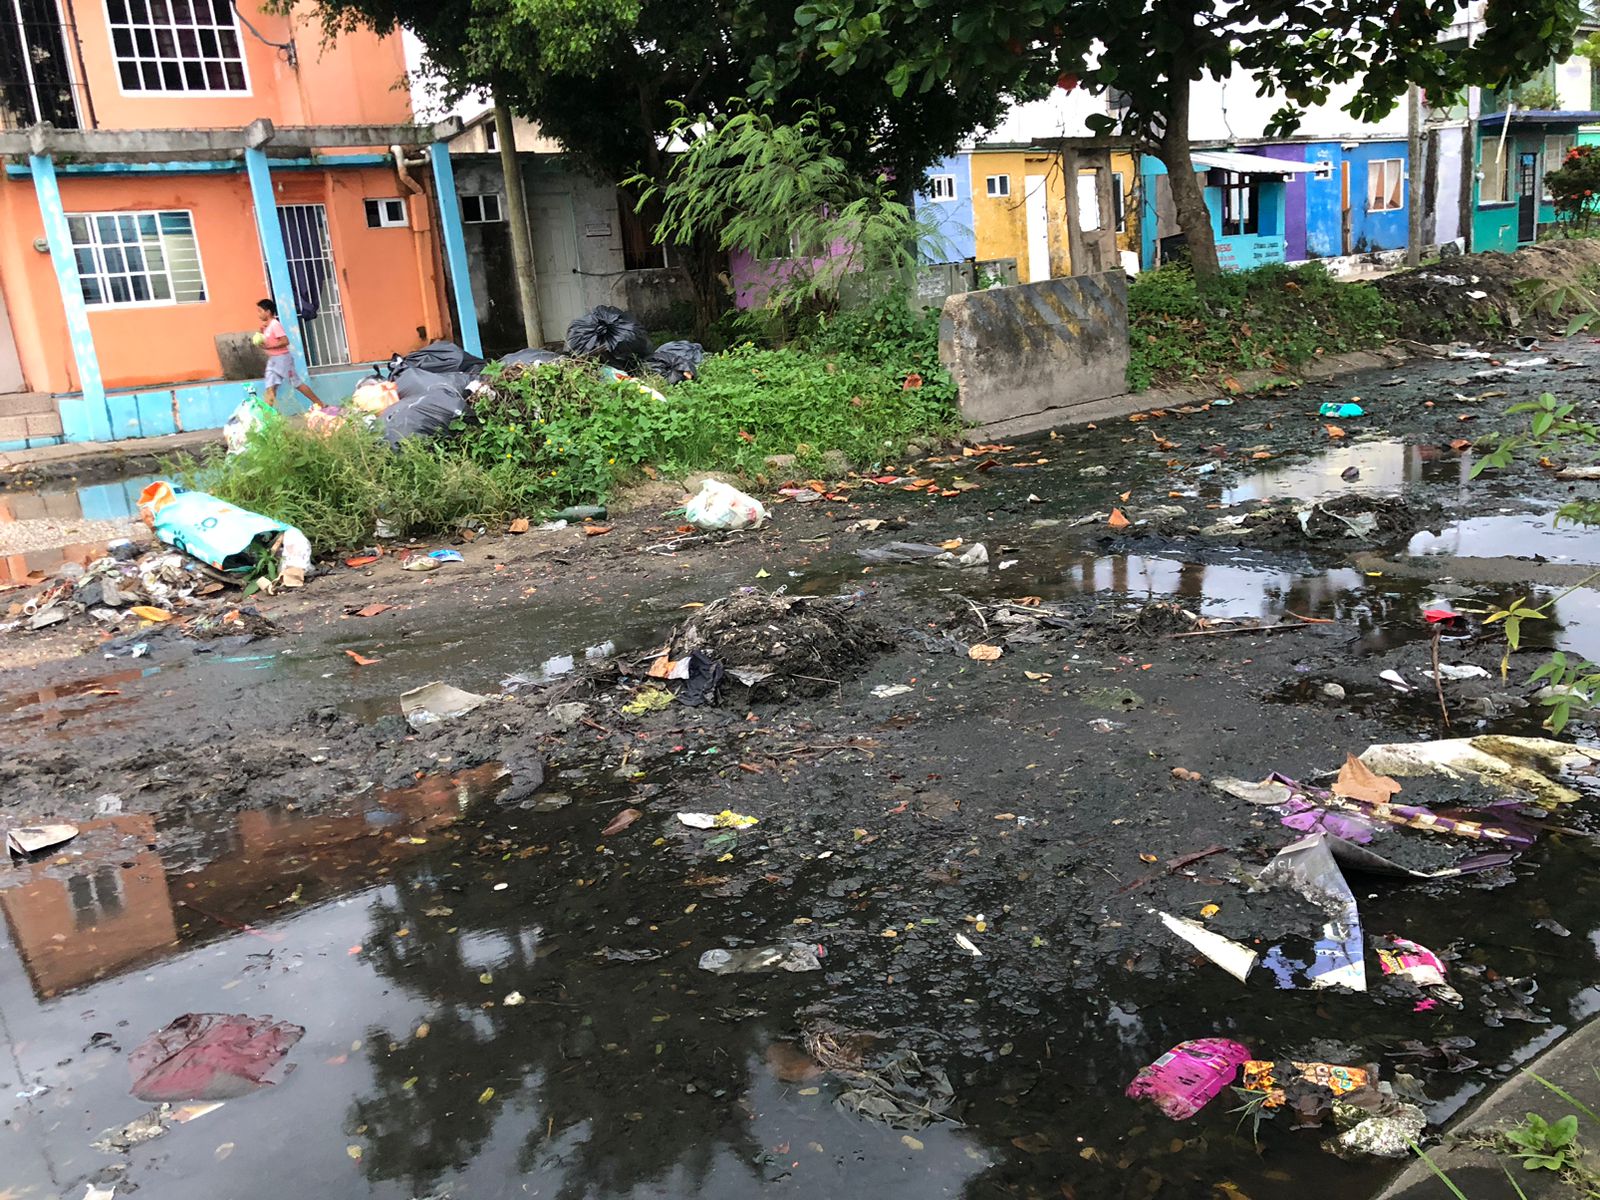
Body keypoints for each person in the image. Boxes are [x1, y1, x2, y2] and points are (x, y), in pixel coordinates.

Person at [252, 299, 318, 408]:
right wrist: (260, 334)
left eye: (260, 311)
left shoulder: (275, 324)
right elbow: (266, 342)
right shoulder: (267, 327)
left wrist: (270, 346)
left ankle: (320, 403)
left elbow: (285, 341)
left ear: (268, 312)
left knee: (297, 383)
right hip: (273, 360)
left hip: (283, 359)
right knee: (270, 387)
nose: (258, 314)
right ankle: (267, 415)